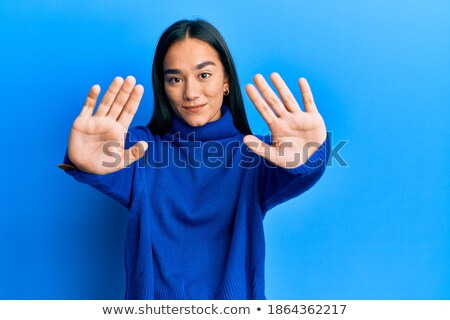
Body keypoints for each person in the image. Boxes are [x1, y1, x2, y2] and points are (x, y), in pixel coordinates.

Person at [59, 19, 329, 299]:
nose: (190, 93)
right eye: (175, 79)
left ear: (226, 80)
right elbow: (106, 166)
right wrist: (86, 159)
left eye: (204, 75)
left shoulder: (257, 153)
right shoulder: (140, 149)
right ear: (163, 86)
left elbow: (298, 172)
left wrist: (307, 153)